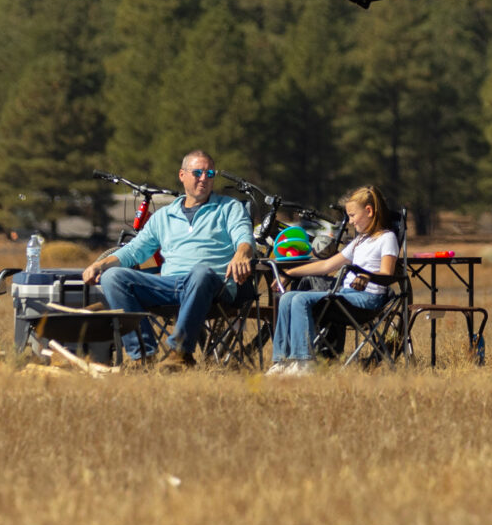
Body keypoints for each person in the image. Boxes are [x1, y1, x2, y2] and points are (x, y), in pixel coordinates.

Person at [81, 150, 255, 367]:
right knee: (114, 277)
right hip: (170, 284)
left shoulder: (229, 207)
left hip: (214, 286)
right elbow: (134, 250)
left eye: (209, 173)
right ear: (182, 175)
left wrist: (241, 253)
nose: (204, 178)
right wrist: (100, 264)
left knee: (200, 272)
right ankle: (143, 356)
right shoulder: (165, 215)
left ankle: (180, 353)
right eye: (197, 172)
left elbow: (244, 237)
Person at [268, 185, 400, 376]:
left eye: (353, 216)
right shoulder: (359, 241)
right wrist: (289, 273)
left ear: (369, 211)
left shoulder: (387, 238)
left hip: (367, 300)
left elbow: (387, 274)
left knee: (300, 299)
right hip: (345, 296)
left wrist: (367, 276)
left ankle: (304, 362)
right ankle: (282, 361)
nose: (350, 221)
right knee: (288, 297)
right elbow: (326, 266)